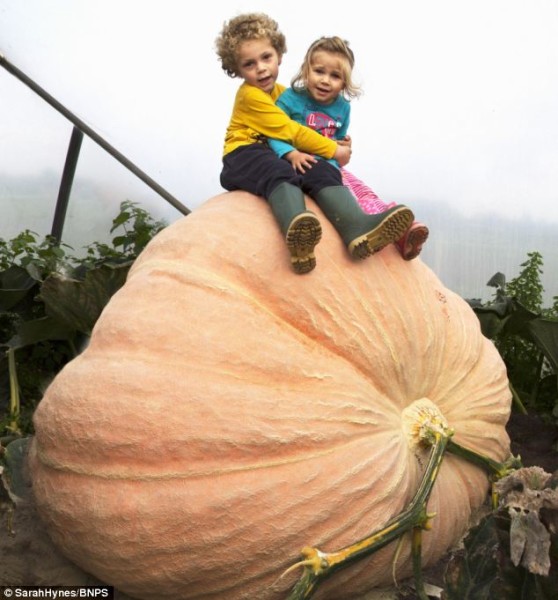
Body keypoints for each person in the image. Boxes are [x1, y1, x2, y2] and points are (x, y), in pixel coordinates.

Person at [215, 13, 414, 274]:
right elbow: (291, 131)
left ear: (279, 56)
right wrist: (334, 150)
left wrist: (337, 146)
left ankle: (355, 228)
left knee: (319, 171)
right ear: (237, 69)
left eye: (266, 58)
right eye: (249, 64)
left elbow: (308, 130)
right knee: (280, 171)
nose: (261, 68)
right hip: (242, 155)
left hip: (273, 152)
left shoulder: (281, 93)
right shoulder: (251, 96)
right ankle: (296, 227)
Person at [267, 36, 428, 261]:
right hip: (302, 162)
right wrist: (290, 153)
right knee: (348, 195)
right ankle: (372, 230)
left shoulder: (343, 107)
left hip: (329, 164)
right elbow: (273, 131)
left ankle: (400, 231)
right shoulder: (291, 99)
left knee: (361, 190)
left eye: (335, 76)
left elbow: (338, 138)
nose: (325, 80)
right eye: (319, 71)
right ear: (306, 70)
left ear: (344, 82)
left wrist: (343, 150)